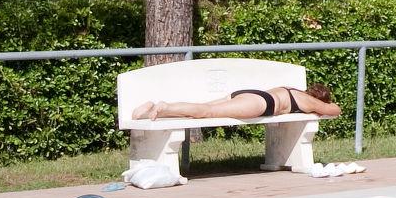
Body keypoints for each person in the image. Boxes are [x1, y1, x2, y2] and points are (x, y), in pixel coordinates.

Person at [132, 82, 343, 123]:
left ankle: (152, 112)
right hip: (262, 103)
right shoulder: (309, 101)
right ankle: (165, 106)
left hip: (249, 94)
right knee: (206, 112)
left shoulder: (295, 90)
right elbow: (335, 110)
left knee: (201, 110)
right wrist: (321, 108)